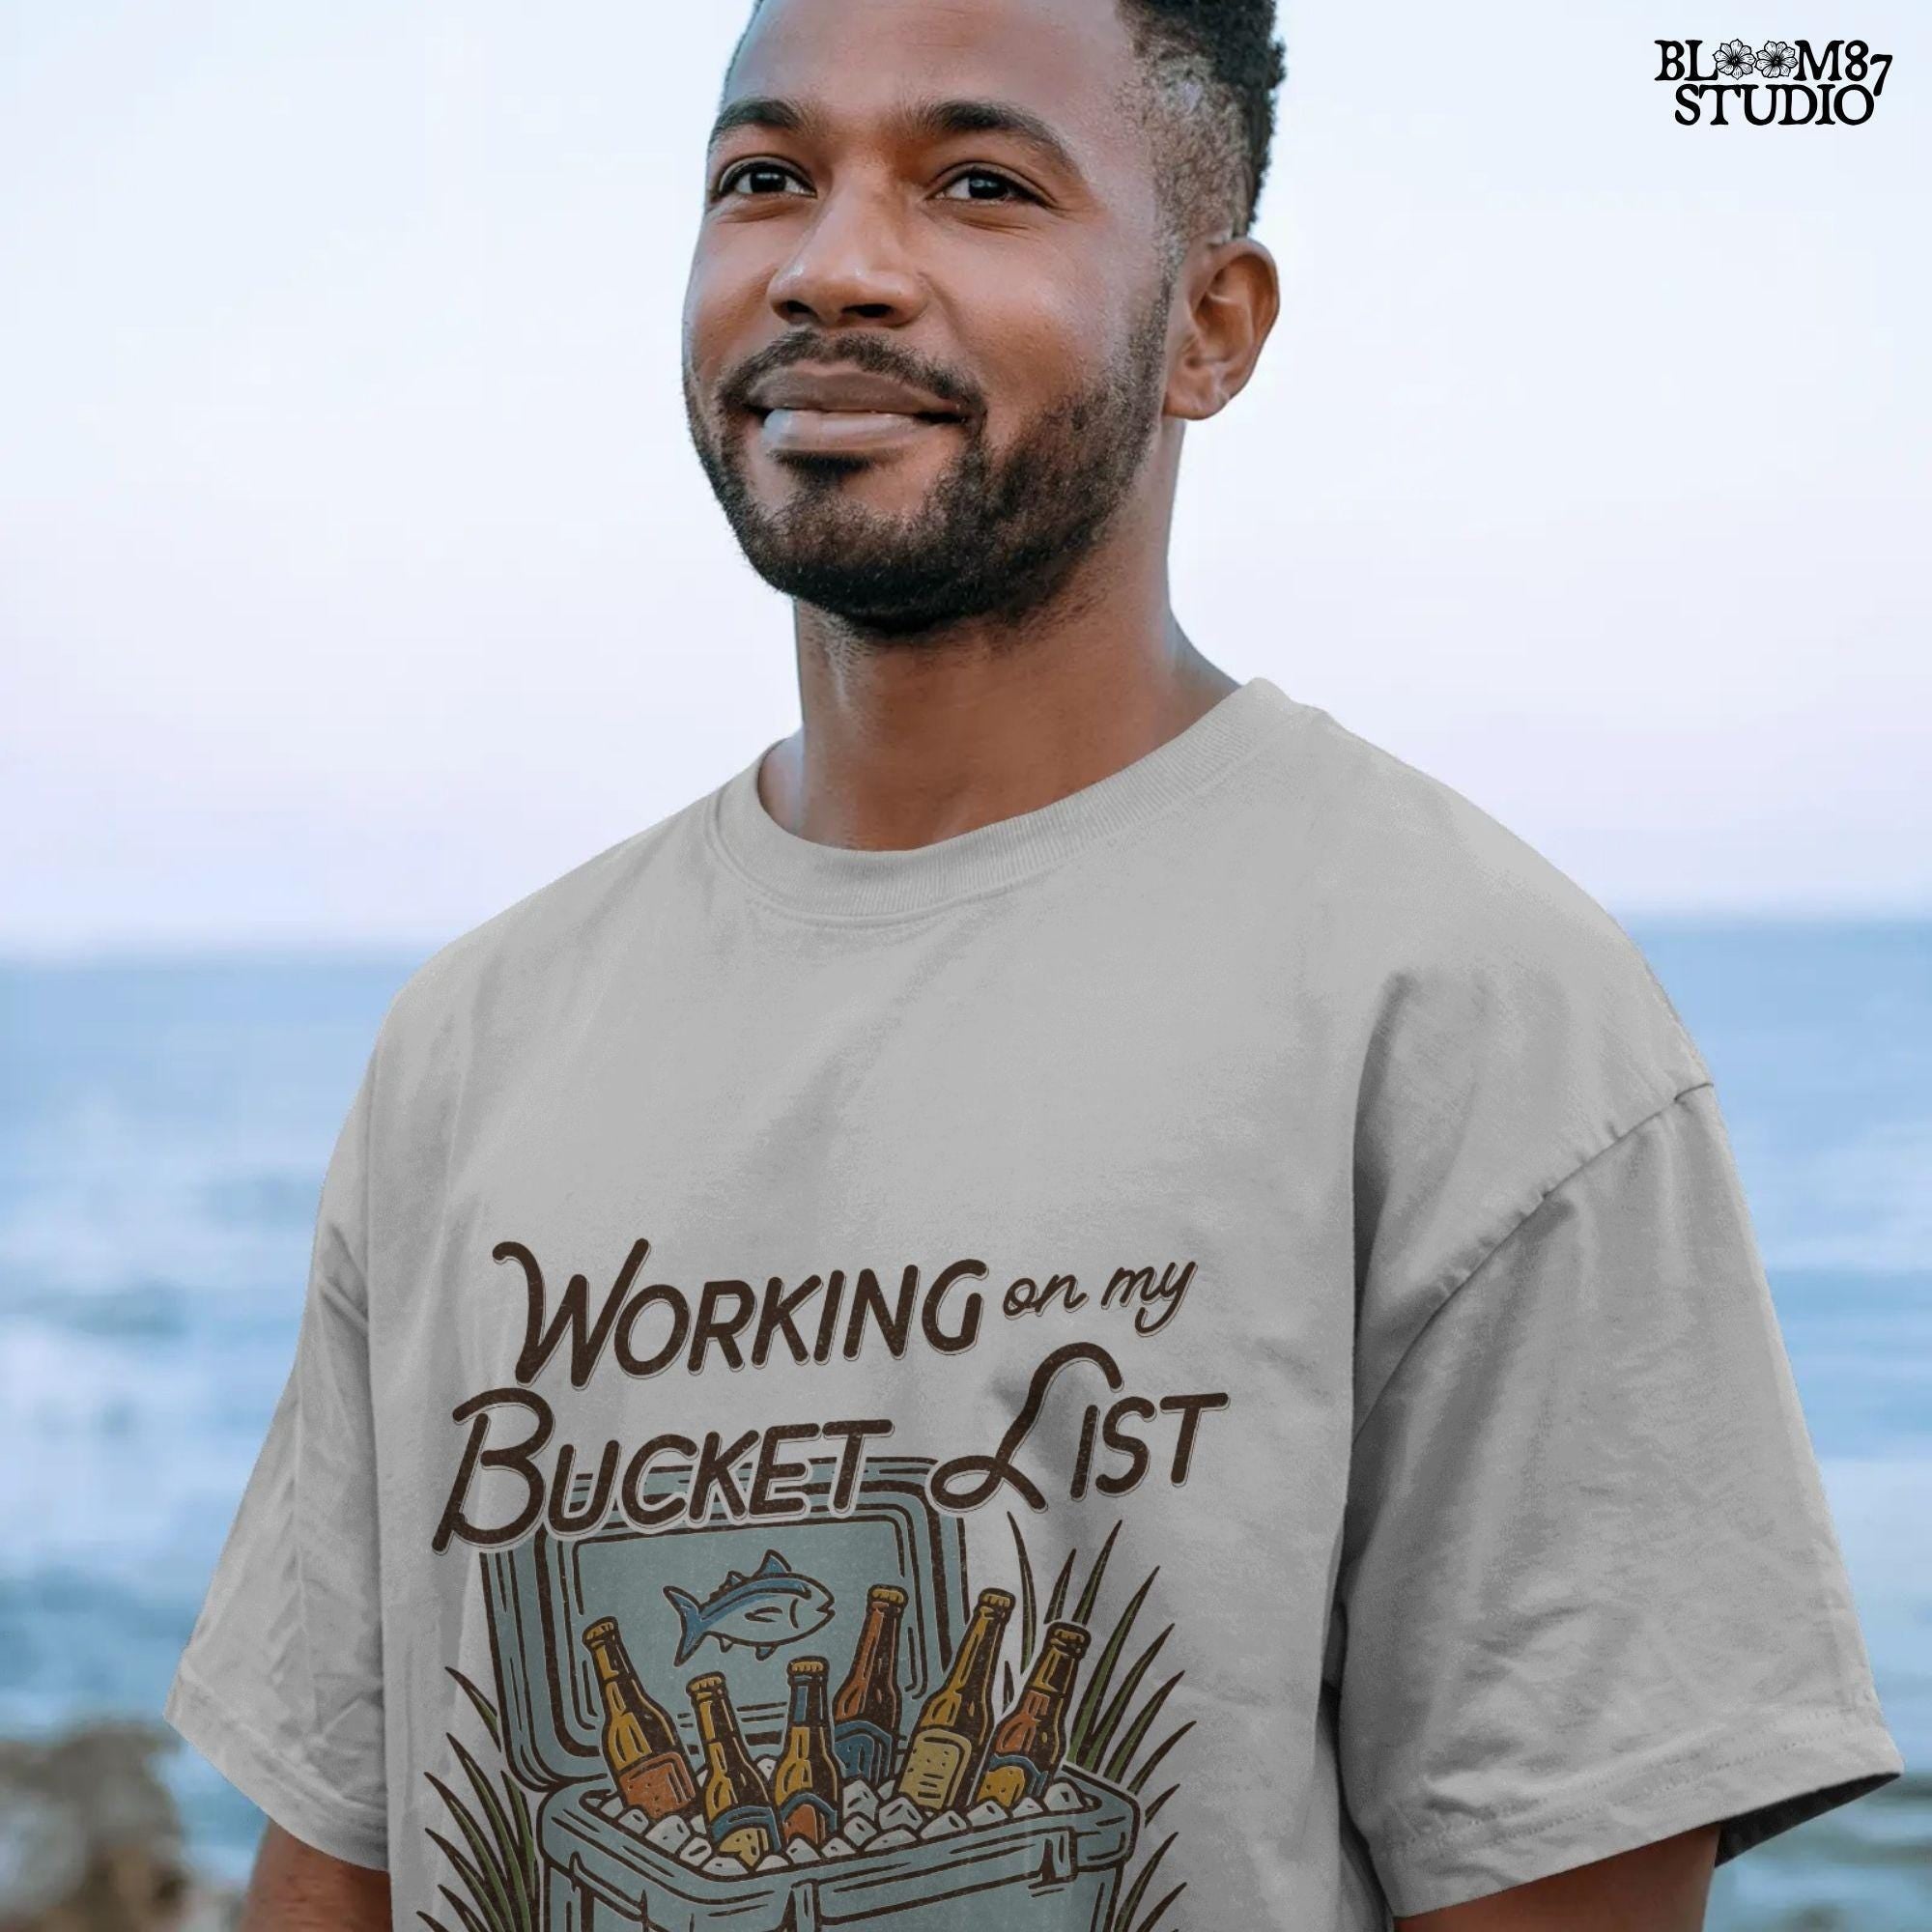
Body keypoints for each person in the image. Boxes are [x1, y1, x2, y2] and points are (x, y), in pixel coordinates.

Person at [163, 0, 1903, 1926]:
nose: (831, 266)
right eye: (765, 179)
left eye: (978, 184)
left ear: (1209, 328)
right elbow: (340, 1851)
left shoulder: (1470, 1005)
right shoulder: (470, 1045)